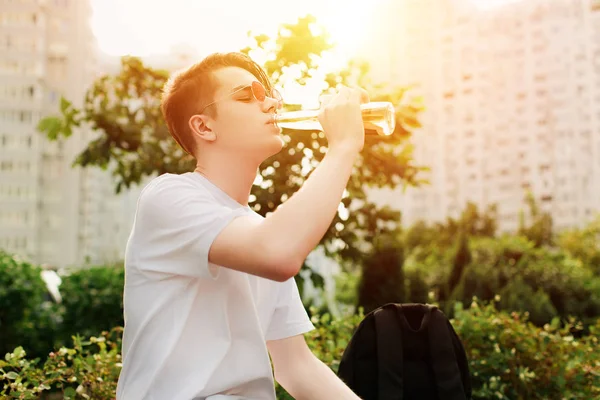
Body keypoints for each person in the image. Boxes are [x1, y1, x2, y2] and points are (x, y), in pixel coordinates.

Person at [116, 51, 367, 400]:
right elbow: (278, 254)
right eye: (247, 96)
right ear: (204, 126)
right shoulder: (168, 198)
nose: (272, 104)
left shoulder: (257, 231)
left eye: (269, 95)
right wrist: (342, 147)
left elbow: (296, 367)